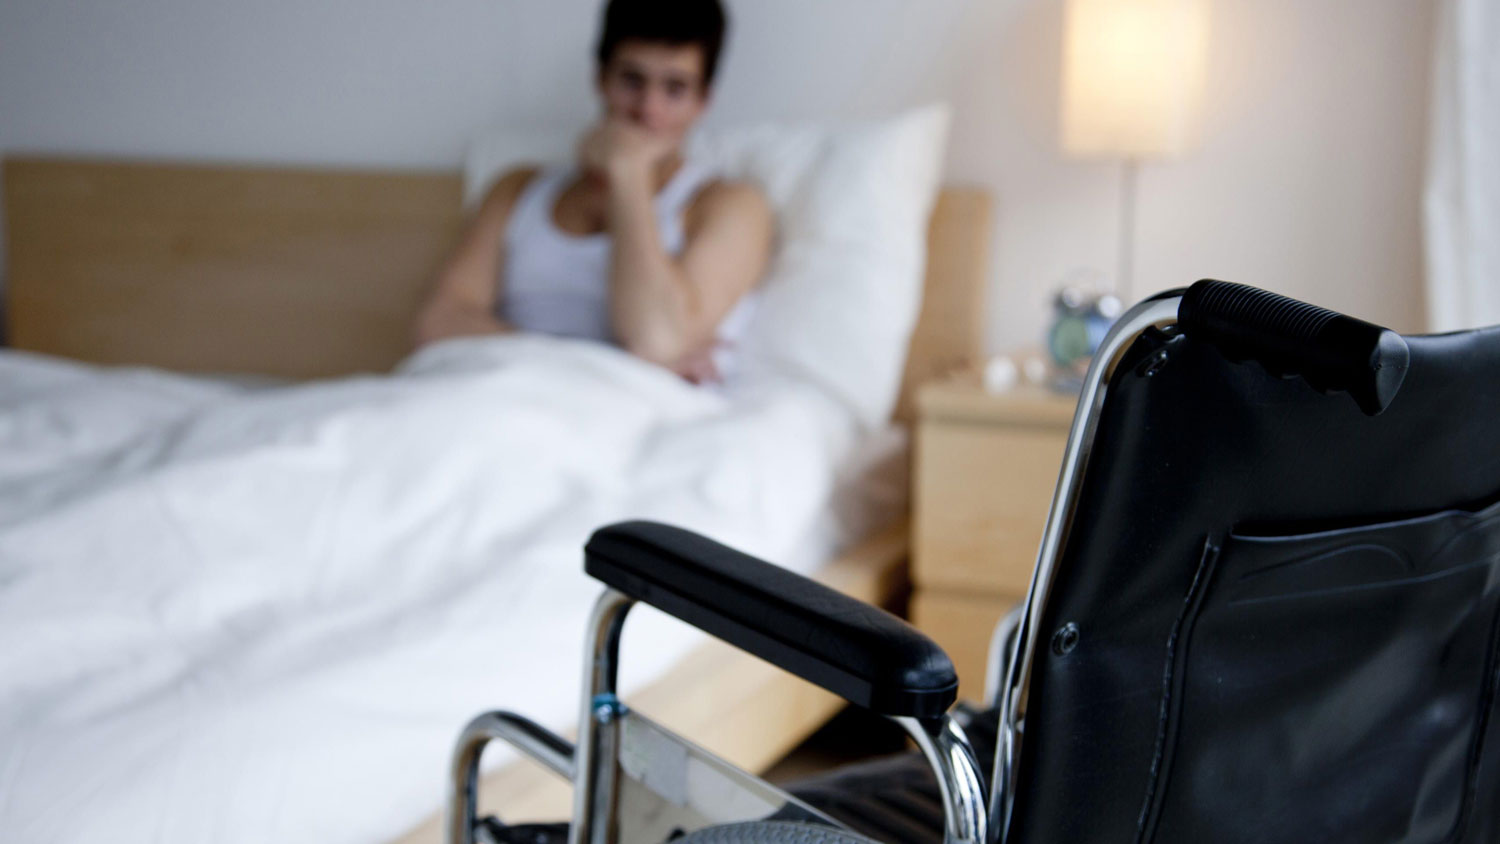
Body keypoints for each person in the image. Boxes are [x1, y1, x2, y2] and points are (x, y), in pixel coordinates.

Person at [414, 0, 771, 384]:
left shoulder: (730, 205)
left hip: (621, 416)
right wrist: (590, 365)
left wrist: (629, 176)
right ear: (601, 79)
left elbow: (659, 342)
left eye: (675, 88)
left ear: (703, 101)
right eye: (632, 81)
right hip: (503, 393)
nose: (648, 109)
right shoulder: (516, 189)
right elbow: (437, 324)